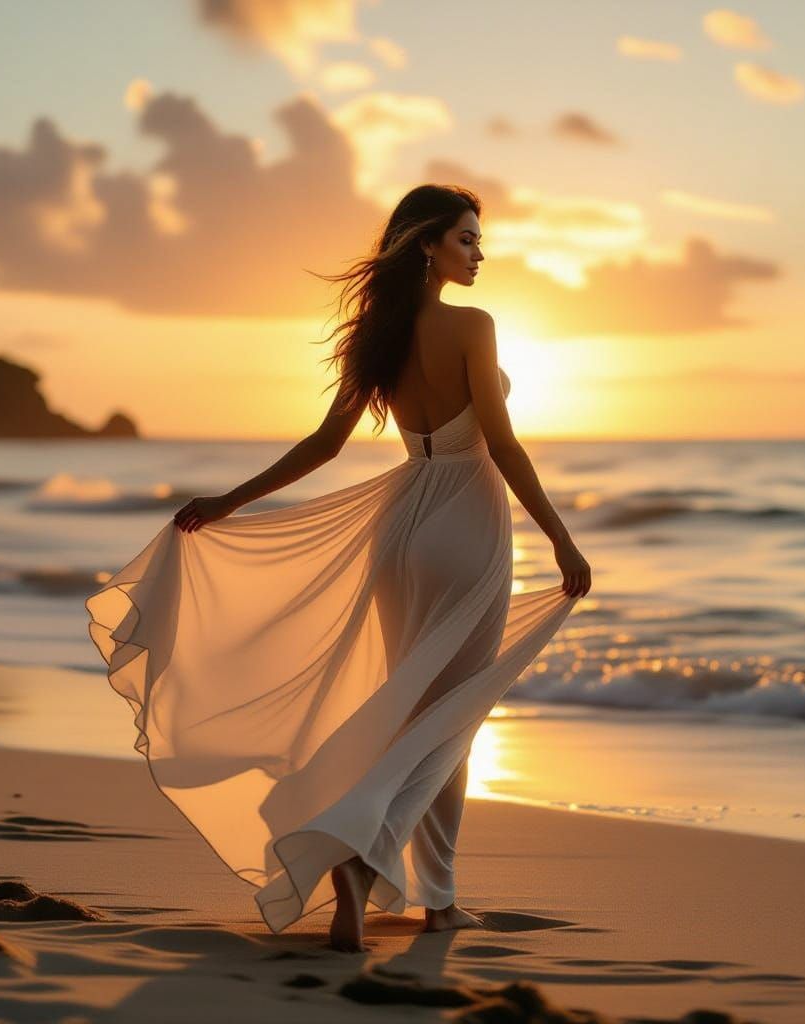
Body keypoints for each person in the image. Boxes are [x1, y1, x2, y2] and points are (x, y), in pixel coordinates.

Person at [86, 184, 591, 954]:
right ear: (427, 244)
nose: (478, 254)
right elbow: (506, 443)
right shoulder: (473, 326)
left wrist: (229, 501)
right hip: (469, 530)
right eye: (466, 239)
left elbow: (323, 445)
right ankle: (370, 861)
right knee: (450, 720)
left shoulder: (377, 336)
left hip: (401, 534)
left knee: (423, 713)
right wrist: (560, 537)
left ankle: (428, 890)